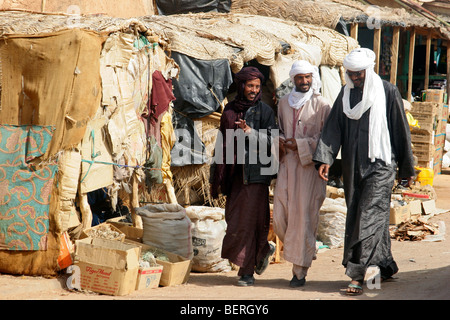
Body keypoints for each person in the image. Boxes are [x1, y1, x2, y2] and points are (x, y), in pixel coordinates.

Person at [313, 48, 415, 295]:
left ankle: (358, 274)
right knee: (362, 213)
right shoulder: (345, 94)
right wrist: (325, 158)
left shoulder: (387, 92)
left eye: (358, 74)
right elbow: (333, 126)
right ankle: (386, 265)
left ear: (368, 71)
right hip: (352, 165)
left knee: (368, 215)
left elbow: (401, 130)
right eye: (351, 74)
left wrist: (406, 168)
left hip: (381, 165)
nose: (355, 78)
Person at [210, 66, 277, 286]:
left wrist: (251, 133)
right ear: (241, 86)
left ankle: (246, 271)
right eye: (250, 86)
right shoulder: (229, 111)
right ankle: (262, 251)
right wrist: (216, 176)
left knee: (249, 223)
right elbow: (221, 144)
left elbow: (272, 141)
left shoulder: (265, 112)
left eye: (257, 87)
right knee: (235, 222)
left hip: (256, 176)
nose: (253, 90)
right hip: (234, 176)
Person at [272, 60, 331, 287]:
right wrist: (280, 141)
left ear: (312, 78)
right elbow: (280, 129)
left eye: (307, 77)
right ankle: (303, 250)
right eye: (300, 78)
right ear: (293, 79)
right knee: (280, 216)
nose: (304, 82)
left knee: (303, 220)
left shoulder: (322, 104)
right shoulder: (284, 103)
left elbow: (328, 140)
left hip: (309, 170)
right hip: (287, 166)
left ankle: (300, 271)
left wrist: (302, 144)